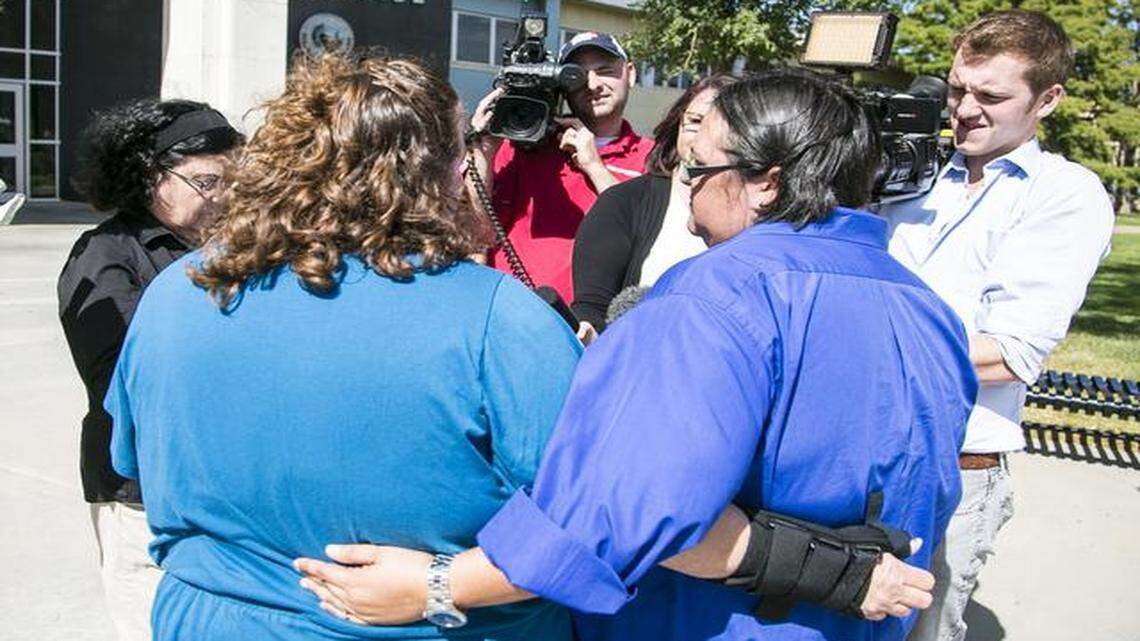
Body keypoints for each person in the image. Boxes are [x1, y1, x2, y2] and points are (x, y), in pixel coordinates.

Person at [296, 68, 979, 641]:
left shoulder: (712, 298)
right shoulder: (929, 309)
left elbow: (627, 512)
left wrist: (434, 584)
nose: (684, 188)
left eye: (699, 169)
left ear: (766, 182)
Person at [102, 53, 756, 641]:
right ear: (440, 173)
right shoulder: (498, 321)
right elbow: (600, 522)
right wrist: (441, 585)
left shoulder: (176, 293)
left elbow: (134, 460)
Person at [879, 11, 1115, 641]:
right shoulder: (909, 174)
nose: (965, 109)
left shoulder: (1065, 195)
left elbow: (1008, 354)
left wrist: (862, 348)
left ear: (1048, 100)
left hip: (955, 467)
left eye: (991, 96)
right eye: (958, 89)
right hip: (856, 452)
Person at [56, 98, 240, 641]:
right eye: (208, 181)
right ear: (149, 175)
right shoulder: (105, 255)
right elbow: (121, 381)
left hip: (220, 486)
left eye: (235, 182)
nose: (223, 197)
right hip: (140, 493)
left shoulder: (235, 248)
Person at [470, 31, 654, 303]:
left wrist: (595, 167)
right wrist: (483, 152)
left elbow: (648, 236)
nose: (593, 84)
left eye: (605, 71)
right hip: (510, 315)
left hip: (592, 328)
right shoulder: (523, 146)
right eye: (578, 75)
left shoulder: (654, 156)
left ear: (630, 74)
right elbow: (475, 232)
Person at [572, 74, 736, 332]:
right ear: (678, 124)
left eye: (718, 125)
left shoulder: (760, 211)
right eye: (694, 121)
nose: (701, 137)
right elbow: (591, 308)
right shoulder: (623, 203)